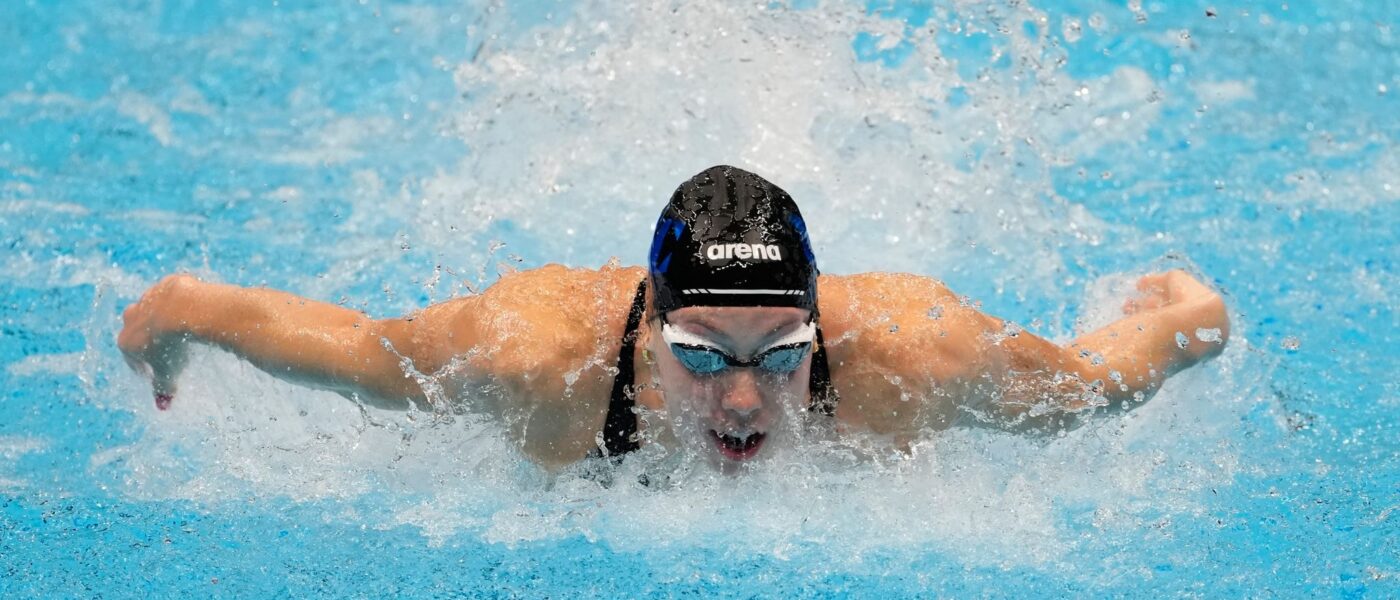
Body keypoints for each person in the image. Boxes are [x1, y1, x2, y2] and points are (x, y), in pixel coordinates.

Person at [118, 165, 1230, 471]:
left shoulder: (913, 355)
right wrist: (178, 311)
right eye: (701, 355)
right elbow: (358, 347)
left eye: (778, 357)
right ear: (647, 331)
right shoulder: (536, 359)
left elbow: (1093, 384)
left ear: (815, 335)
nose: (742, 398)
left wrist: (1194, 317)